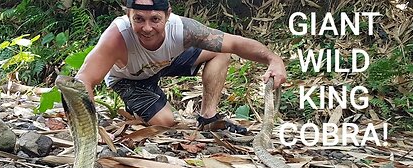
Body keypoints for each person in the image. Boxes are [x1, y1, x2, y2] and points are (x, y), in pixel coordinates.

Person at [75, 0, 286, 134]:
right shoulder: (117, 37)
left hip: (164, 63)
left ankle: (208, 118)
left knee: (221, 52)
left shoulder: (183, 29)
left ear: (167, 15)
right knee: (165, 122)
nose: (147, 28)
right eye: (139, 19)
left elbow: (235, 43)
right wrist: (87, 130)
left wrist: (273, 59)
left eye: (155, 19)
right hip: (130, 78)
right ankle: (138, 107)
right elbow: (85, 79)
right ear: (128, 14)